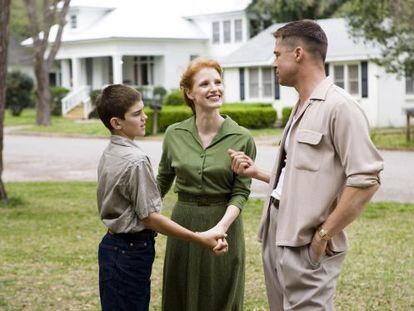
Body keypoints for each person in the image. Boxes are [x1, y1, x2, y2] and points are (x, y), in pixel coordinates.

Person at [229, 20, 384, 310]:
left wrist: (325, 234)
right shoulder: (302, 104)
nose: (273, 63)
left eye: (277, 55)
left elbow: (367, 180)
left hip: (308, 240)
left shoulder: (339, 107)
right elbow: (303, 174)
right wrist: (259, 173)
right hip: (277, 229)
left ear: (298, 53)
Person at [95, 84, 227, 311]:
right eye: (136, 114)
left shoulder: (111, 152)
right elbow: (150, 217)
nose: (144, 117)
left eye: (143, 110)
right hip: (130, 251)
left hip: (113, 248)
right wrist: (198, 238)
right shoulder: (135, 160)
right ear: (116, 123)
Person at [157, 58, 256, 311]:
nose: (214, 88)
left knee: (220, 294)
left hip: (224, 224)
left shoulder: (242, 137)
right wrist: (141, 215)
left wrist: (220, 228)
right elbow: (162, 181)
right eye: (205, 84)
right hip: (183, 222)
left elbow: (241, 192)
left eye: (218, 82)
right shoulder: (174, 134)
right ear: (189, 93)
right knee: (180, 291)